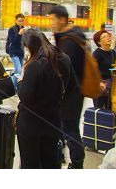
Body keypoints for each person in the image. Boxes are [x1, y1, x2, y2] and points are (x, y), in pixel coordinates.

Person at [16, 29, 73, 169]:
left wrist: (21, 81)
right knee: (51, 162)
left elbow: (26, 96)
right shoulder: (64, 59)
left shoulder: (34, 65)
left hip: (31, 122)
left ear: (30, 46)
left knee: (30, 163)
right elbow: (68, 87)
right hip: (53, 120)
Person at [49, 5, 85, 169]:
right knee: (65, 126)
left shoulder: (68, 41)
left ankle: (77, 164)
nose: (51, 23)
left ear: (62, 19)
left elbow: (64, 70)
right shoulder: (73, 36)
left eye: (52, 20)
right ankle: (60, 156)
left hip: (70, 93)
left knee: (70, 128)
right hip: (75, 90)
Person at [92, 30, 116, 109]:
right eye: (105, 36)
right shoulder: (97, 53)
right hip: (100, 87)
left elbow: (114, 67)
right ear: (99, 42)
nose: (108, 38)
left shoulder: (113, 53)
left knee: (110, 111)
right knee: (99, 112)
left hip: (111, 86)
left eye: (108, 36)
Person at [6, 14, 25, 89]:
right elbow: (13, 41)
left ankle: (14, 85)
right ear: (16, 20)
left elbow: (23, 42)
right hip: (13, 51)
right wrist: (19, 34)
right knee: (18, 70)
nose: (21, 22)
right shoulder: (12, 29)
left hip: (21, 52)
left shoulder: (23, 29)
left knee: (19, 71)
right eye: (19, 21)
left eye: (22, 21)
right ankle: (14, 89)